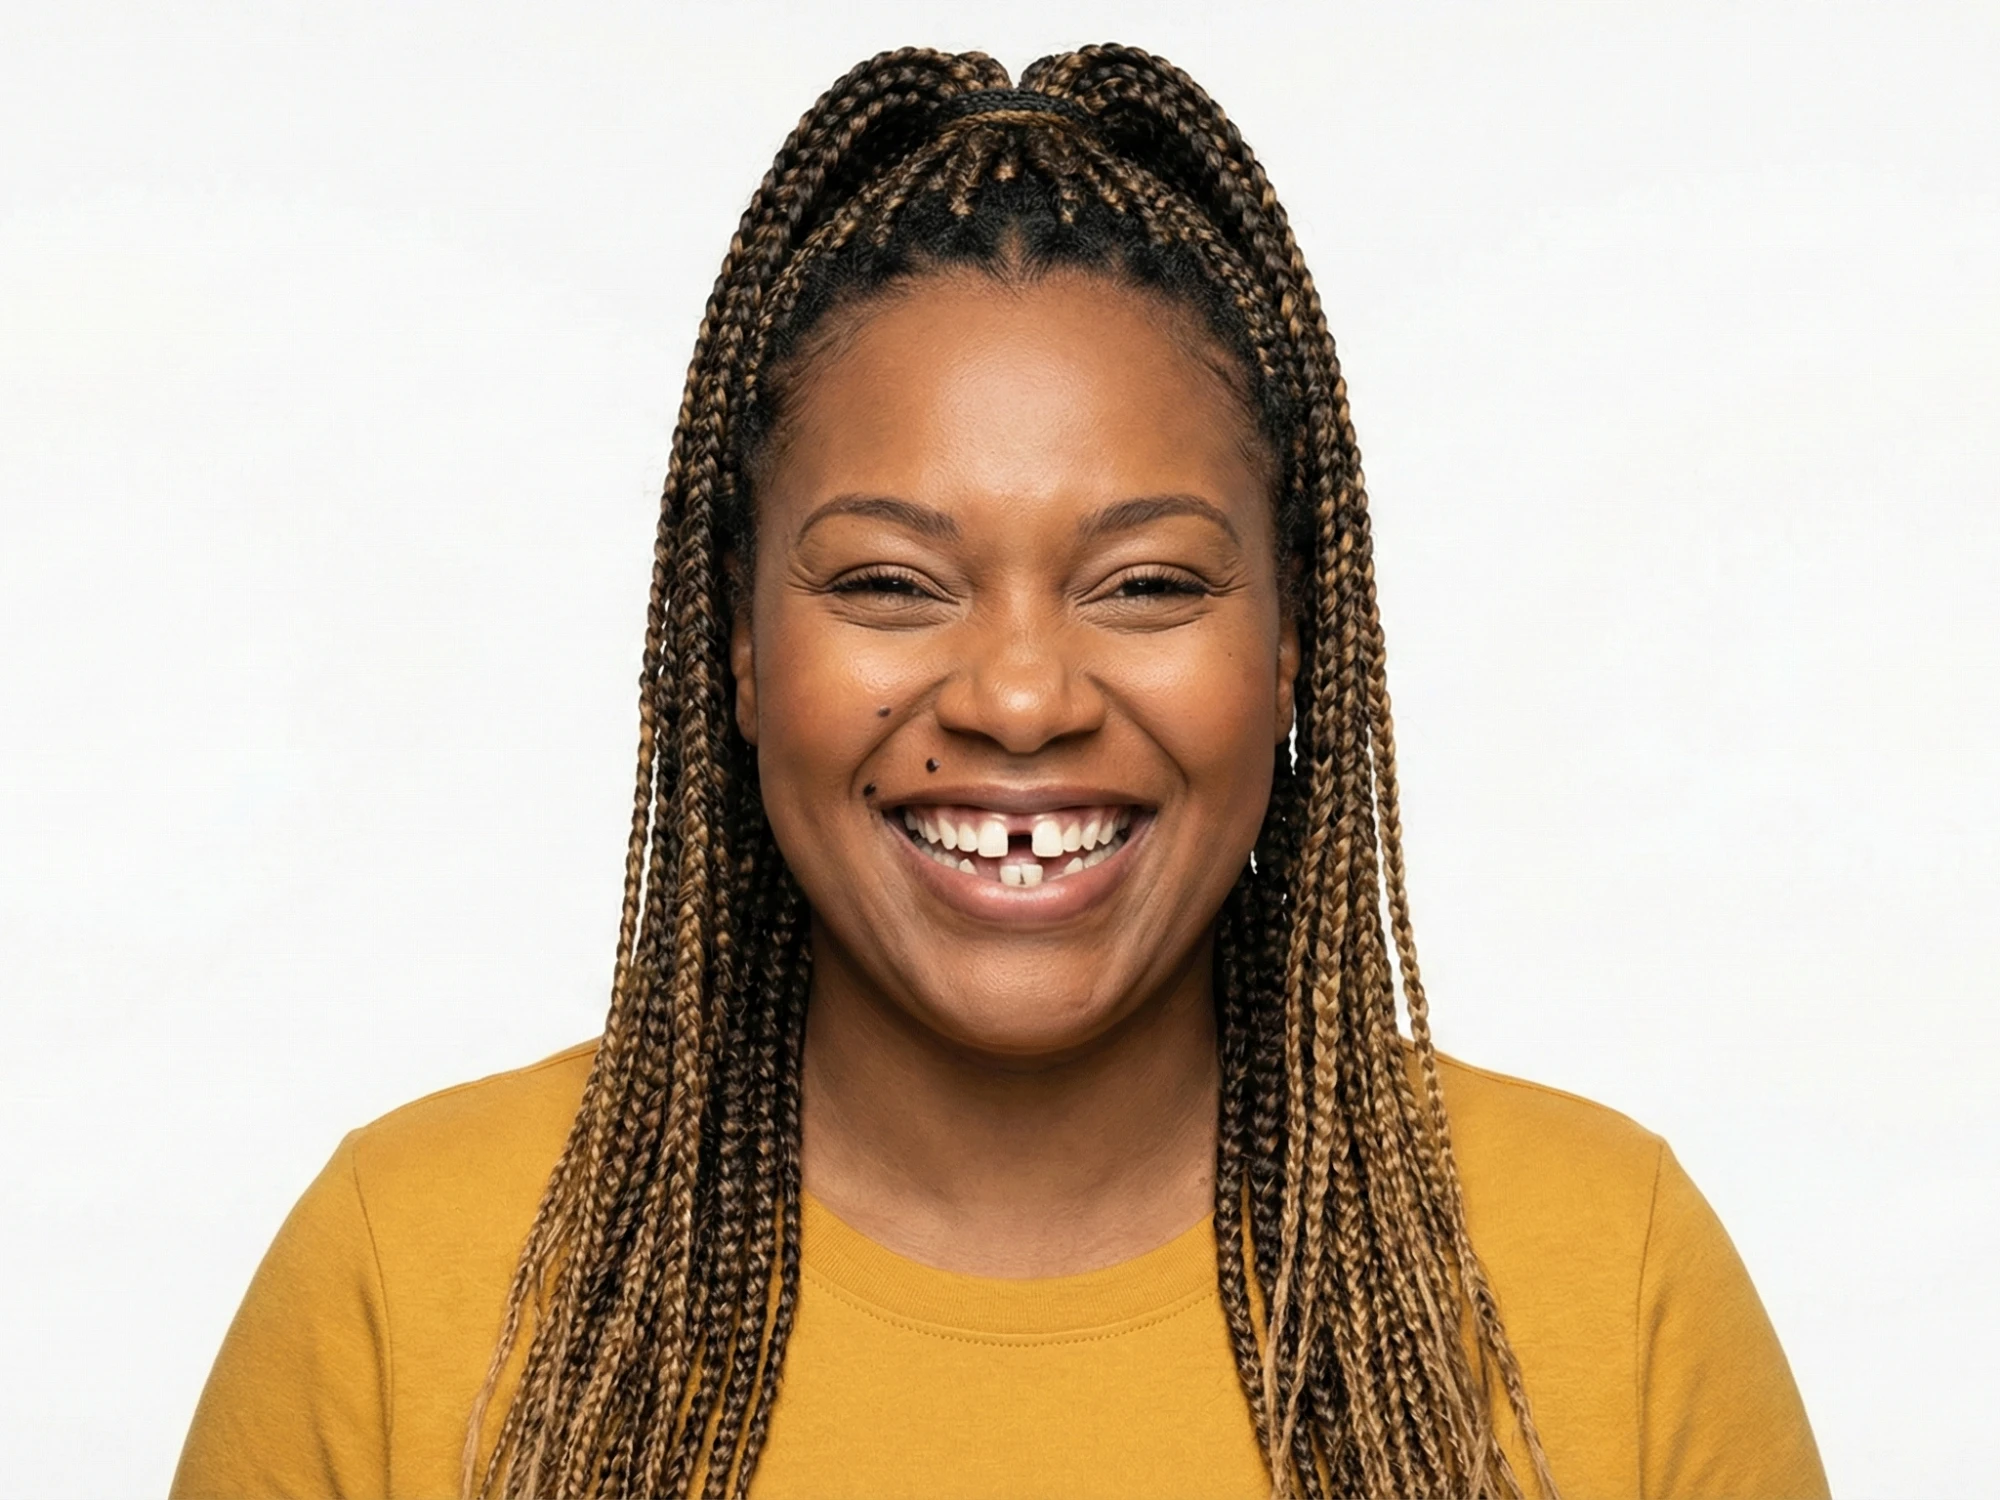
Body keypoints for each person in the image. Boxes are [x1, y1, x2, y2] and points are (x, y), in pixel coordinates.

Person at [170, 46, 1827, 1500]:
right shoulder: (407, 1280)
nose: (1023, 696)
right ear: (738, 654)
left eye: (1151, 583)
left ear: (1295, 650)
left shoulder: (1609, 1282)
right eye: (890, 583)